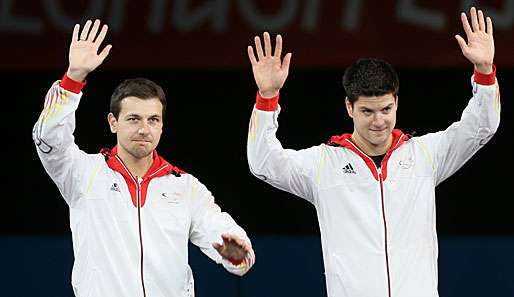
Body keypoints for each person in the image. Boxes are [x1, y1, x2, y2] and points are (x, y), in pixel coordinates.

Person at [246, 7, 499, 297]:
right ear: (349, 107)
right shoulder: (323, 164)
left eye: (386, 109)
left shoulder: (425, 155)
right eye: (367, 111)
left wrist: (484, 72)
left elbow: (481, 126)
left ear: (396, 104)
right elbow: (263, 163)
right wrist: (267, 98)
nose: (379, 121)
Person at [33, 19, 255, 297]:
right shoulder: (83, 173)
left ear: (162, 125)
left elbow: (228, 242)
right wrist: (73, 78)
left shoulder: (184, 187)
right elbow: (48, 138)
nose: (143, 129)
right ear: (113, 122)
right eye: (133, 119)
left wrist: (236, 253)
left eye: (153, 120)